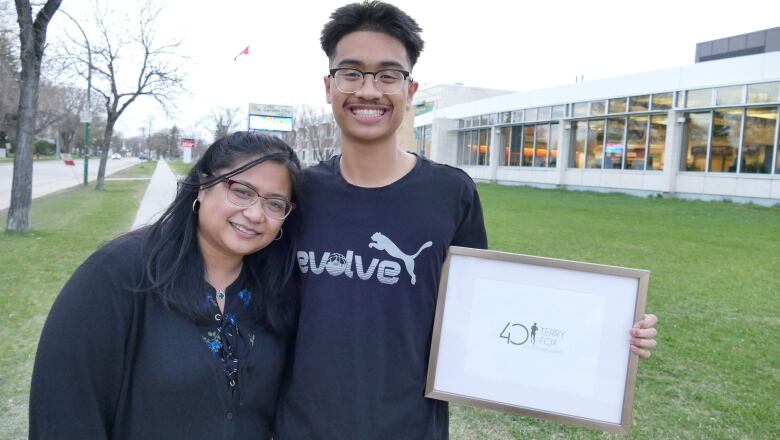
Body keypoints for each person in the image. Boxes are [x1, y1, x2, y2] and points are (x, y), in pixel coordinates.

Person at [275, 2, 658, 439]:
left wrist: (610, 335)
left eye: (387, 75)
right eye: (352, 73)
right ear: (329, 86)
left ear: (411, 89)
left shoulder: (451, 193)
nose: (368, 90)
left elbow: (486, 312)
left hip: (409, 426)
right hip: (301, 426)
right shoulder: (297, 194)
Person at [29, 131, 302, 439]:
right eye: (241, 191)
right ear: (203, 186)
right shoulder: (116, 275)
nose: (255, 214)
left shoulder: (276, 289)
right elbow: (65, 414)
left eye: (275, 204)